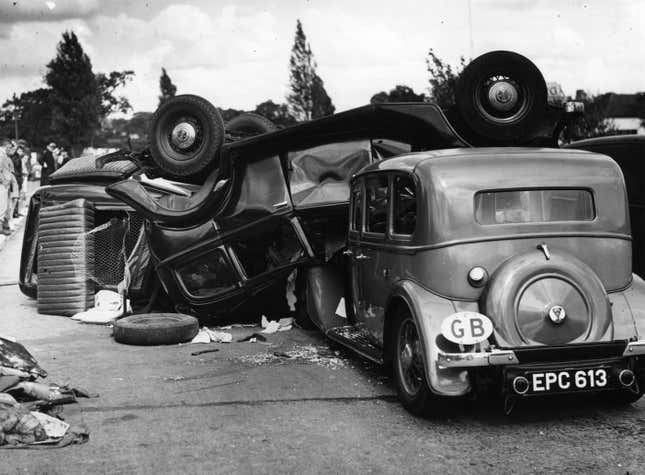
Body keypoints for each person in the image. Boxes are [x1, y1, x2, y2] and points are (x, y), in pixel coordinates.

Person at [0, 145, 14, 235]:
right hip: (2, 184)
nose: (10, 149)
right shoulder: (1, 155)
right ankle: (1, 227)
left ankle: (4, 226)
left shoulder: (3, 154)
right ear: (5, 146)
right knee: (2, 205)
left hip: (5, 184)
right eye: (9, 147)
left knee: (5, 205)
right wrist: (3, 181)